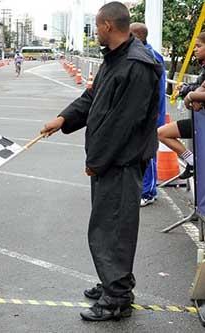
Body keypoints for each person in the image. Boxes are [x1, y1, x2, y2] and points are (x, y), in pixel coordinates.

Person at [40, 2, 162, 321]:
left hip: (120, 161)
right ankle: (113, 281)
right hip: (110, 161)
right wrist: (63, 119)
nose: (95, 32)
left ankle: (117, 298)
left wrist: (96, 160)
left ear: (108, 25)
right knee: (107, 226)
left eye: (97, 26)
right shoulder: (115, 59)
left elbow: (124, 124)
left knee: (113, 230)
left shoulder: (137, 65)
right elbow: (93, 99)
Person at [158, 31, 205, 180]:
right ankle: (192, 162)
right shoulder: (203, 67)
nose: (195, 49)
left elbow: (199, 89)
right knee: (162, 133)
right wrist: (188, 89)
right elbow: (199, 86)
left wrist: (190, 94)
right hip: (200, 121)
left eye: (199, 46)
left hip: (202, 121)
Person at [130, 23, 167, 207]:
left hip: (151, 115)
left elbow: (158, 91)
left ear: (137, 36)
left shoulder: (151, 57)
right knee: (140, 152)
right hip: (143, 114)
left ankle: (149, 192)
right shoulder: (141, 54)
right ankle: (144, 189)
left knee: (148, 153)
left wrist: (153, 114)